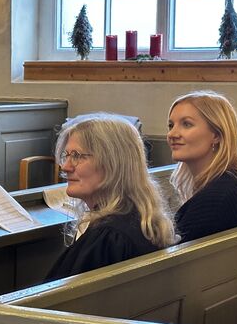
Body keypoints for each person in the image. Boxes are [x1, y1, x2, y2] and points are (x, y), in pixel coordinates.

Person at [46, 114, 174, 281]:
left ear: (113, 163)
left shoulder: (109, 237)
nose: (65, 167)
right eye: (66, 155)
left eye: (77, 156)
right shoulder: (136, 217)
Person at [167, 91, 237, 242]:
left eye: (186, 124)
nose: (172, 134)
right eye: (171, 125)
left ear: (216, 135)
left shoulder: (217, 198)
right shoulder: (224, 183)